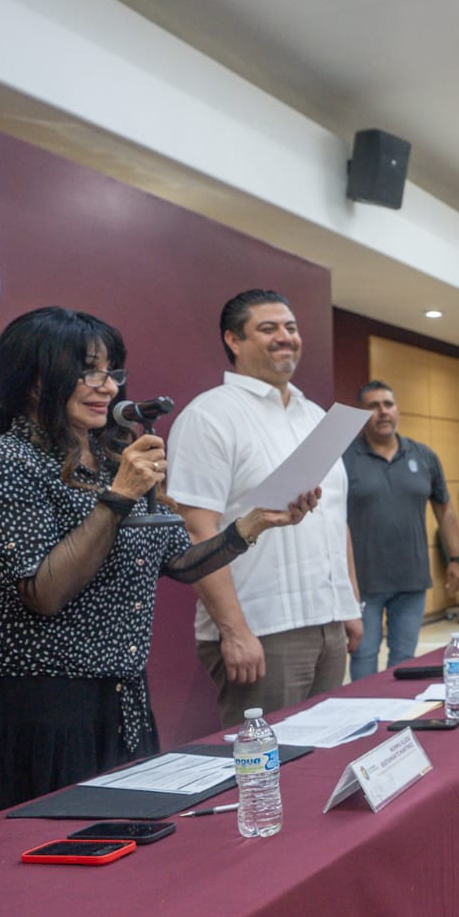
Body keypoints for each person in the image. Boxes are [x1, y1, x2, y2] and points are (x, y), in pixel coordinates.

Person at [0, 307, 318, 829]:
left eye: (112, 372)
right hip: (33, 700)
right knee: (44, 854)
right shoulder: (7, 463)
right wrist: (117, 499)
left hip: (117, 691)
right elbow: (44, 592)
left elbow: (179, 561)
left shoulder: (115, 459)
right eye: (87, 371)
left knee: (125, 841)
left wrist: (253, 523)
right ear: (33, 379)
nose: (106, 387)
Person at [168, 289, 364, 726]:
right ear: (233, 341)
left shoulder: (315, 415)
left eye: (291, 328)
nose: (285, 337)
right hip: (262, 630)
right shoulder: (210, 416)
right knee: (267, 772)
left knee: (321, 760)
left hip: (327, 624)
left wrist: (348, 603)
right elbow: (197, 531)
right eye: (268, 328)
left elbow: (335, 517)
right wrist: (235, 632)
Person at [343, 380, 459, 675]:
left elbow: (444, 509)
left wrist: (457, 558)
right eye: (373, 406)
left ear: (397, 410)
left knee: (405, 662)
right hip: (363, 583)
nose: (382, 412)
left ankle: (397, 719)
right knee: (363, 658)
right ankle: (367, 719)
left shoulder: (424, 456)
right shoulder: (344, 459)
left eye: (388, 404)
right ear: (361, 413)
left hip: (411, 580)